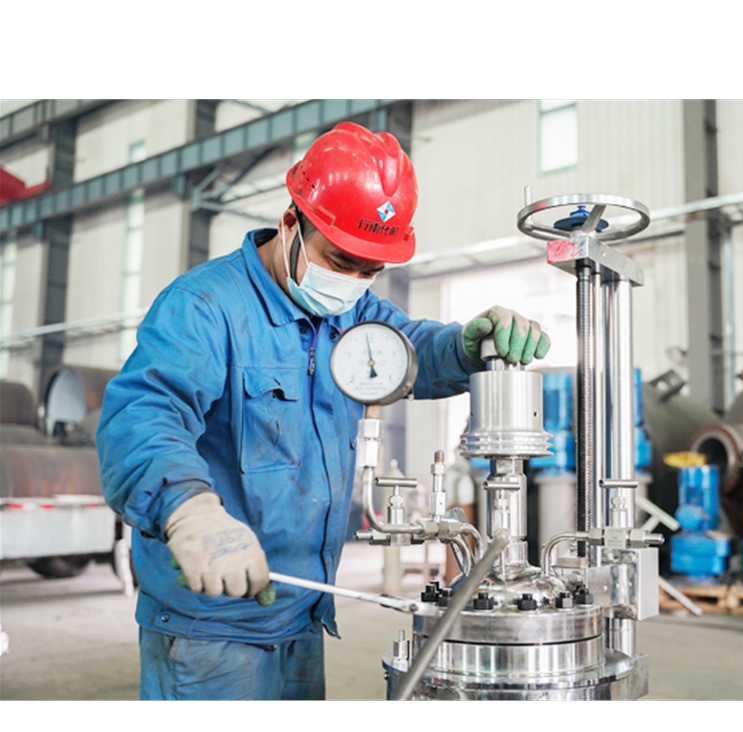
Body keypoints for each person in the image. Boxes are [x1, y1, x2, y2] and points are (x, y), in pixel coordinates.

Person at [96, 121, 551, 701]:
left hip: (303, 616)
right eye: (341, 260)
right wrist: (189, 512)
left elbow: (410, 350)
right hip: (209, 627)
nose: (354, 282)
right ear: (291, 222)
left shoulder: (353, 312)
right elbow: (143, 414)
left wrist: (466, 347)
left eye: (370, 270)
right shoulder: (205, 307)